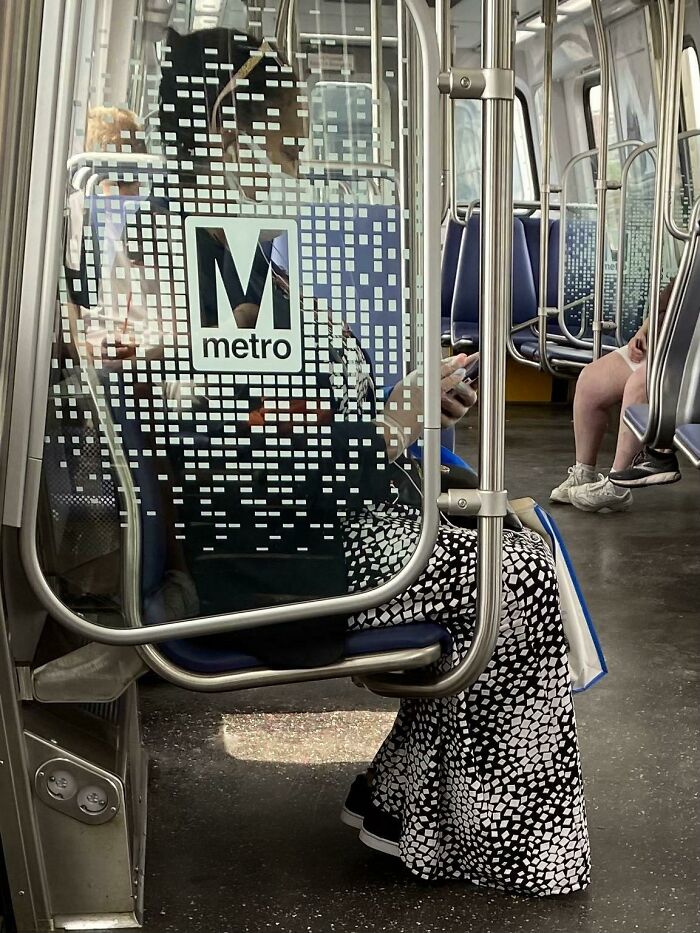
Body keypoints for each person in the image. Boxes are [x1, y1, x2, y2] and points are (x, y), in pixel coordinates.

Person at [81, 27, 590, 895]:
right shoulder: (217, 266)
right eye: (287, 136)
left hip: (287, 531)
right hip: (279, 563)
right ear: (226, 134)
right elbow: (262, 461)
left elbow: (279, 421)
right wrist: (395, 417)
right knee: (517, 583)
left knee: (503, 559)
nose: (298, 156)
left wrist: (398, 405)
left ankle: (411, 810)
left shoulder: (208, 249)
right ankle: (501, 842)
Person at [551, 293, 681, 513]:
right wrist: (644, 330)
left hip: (687, 354)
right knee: (591, 380)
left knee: (639, 385)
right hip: (665, 345)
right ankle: (584, 473)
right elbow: (671, 295)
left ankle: (618, 484)